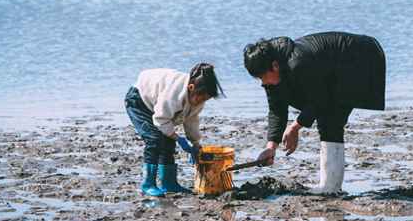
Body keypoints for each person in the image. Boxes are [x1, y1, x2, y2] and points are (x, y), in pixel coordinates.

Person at [243, 32, 385, 194]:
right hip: (332, 69)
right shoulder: (274, 71)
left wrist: (295, 127)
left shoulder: (298, 63)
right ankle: (330, 186)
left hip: (360, 57)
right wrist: (271, 147)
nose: (263, 82)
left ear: (275, 66)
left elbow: (319, 99)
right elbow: (277, 109)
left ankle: (330, 187)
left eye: (263, 77)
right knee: (326, 116)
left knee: (331, 119)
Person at [124, 63, 224, 196]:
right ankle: (148, 184)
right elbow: (161, 119)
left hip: (157, 106)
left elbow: (191, 120)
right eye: (201, 98)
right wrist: (179, 138)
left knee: (168, 141)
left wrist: (195, 144)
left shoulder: (197, 100)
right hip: (139, 100)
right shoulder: (173, 94)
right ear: (191, 87)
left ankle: (168, 183)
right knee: (154, 140)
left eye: (206, 99)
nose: (201, 102)